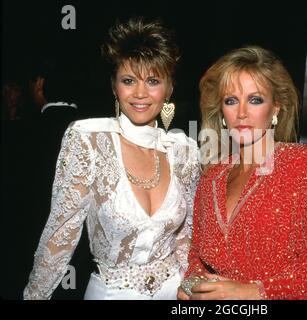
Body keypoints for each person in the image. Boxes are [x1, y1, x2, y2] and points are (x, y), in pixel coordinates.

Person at [23, 17, 200, 300]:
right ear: (114, 86)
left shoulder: (184, 150)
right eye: (129, 80)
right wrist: (35, 295)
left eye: (153, 81)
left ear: (169, 89)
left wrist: (189, 289)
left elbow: (185, 239)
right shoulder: (89, 138)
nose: (140, 93)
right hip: (111, 292)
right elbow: (61, 235)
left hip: (173, 292)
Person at [178, 46, 307, 300]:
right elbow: (197, 256)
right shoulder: (212, 176)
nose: (242, 112)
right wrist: (191, 286)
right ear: (222, 113)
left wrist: (251, 292)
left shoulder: (305, 165)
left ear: (276, 108)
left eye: (255, 99)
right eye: (231, 100)